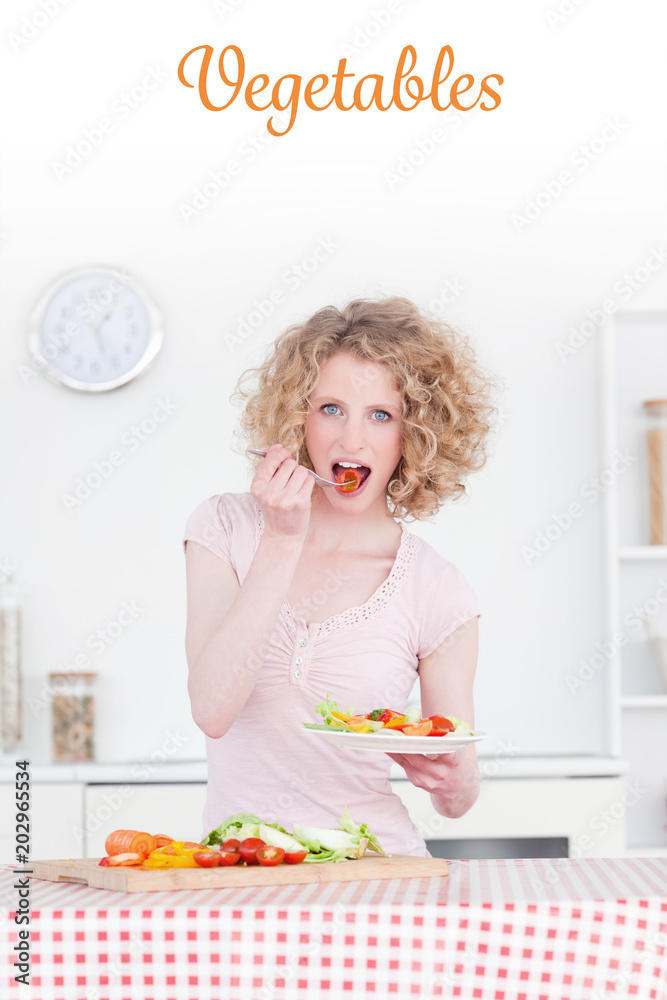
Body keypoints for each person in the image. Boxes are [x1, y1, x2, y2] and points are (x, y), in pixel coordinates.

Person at [183, 296, 497, 856]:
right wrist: (282, 538)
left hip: (377, 874)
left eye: (381, 415)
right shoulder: (224, 528)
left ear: (414, 436)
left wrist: (457, 781)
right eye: (331, 408)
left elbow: (456, 792)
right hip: (240, 868)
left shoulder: (436, 588)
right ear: (297, 416)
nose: (352, 440)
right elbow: (211, 710)